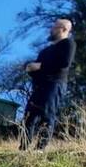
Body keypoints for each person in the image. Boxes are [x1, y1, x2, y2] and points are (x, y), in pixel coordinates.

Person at [21, 18, 76, 150]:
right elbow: (36, 69)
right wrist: (29, 68)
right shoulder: (45, 51)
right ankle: (23, 148)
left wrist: (39, 66)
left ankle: (40, 148)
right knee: (29, 116)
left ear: (64, 29)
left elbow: (64, 63)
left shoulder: (68, 44)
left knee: (47, 115)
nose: (51, 29)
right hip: (39, 85)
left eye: (55, 27)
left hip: (55, 84)